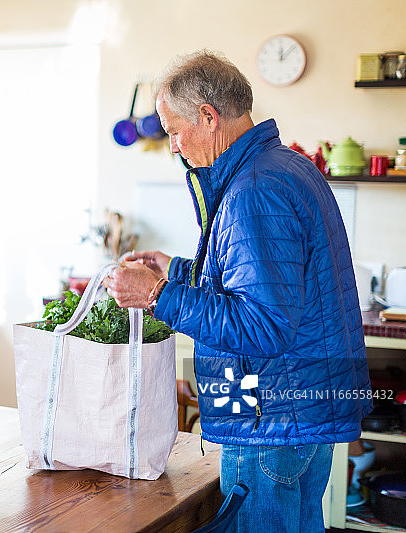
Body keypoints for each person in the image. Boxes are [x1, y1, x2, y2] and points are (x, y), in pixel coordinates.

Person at [101, 51, 372, 532]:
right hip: (295, 413)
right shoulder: (282, 166)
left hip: (269, 418)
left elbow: (263, 327)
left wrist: (157, 294)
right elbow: (259, 280)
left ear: (208, 117)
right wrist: (178, 270)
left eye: (174, 130)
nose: (174, 147)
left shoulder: (253, 190)